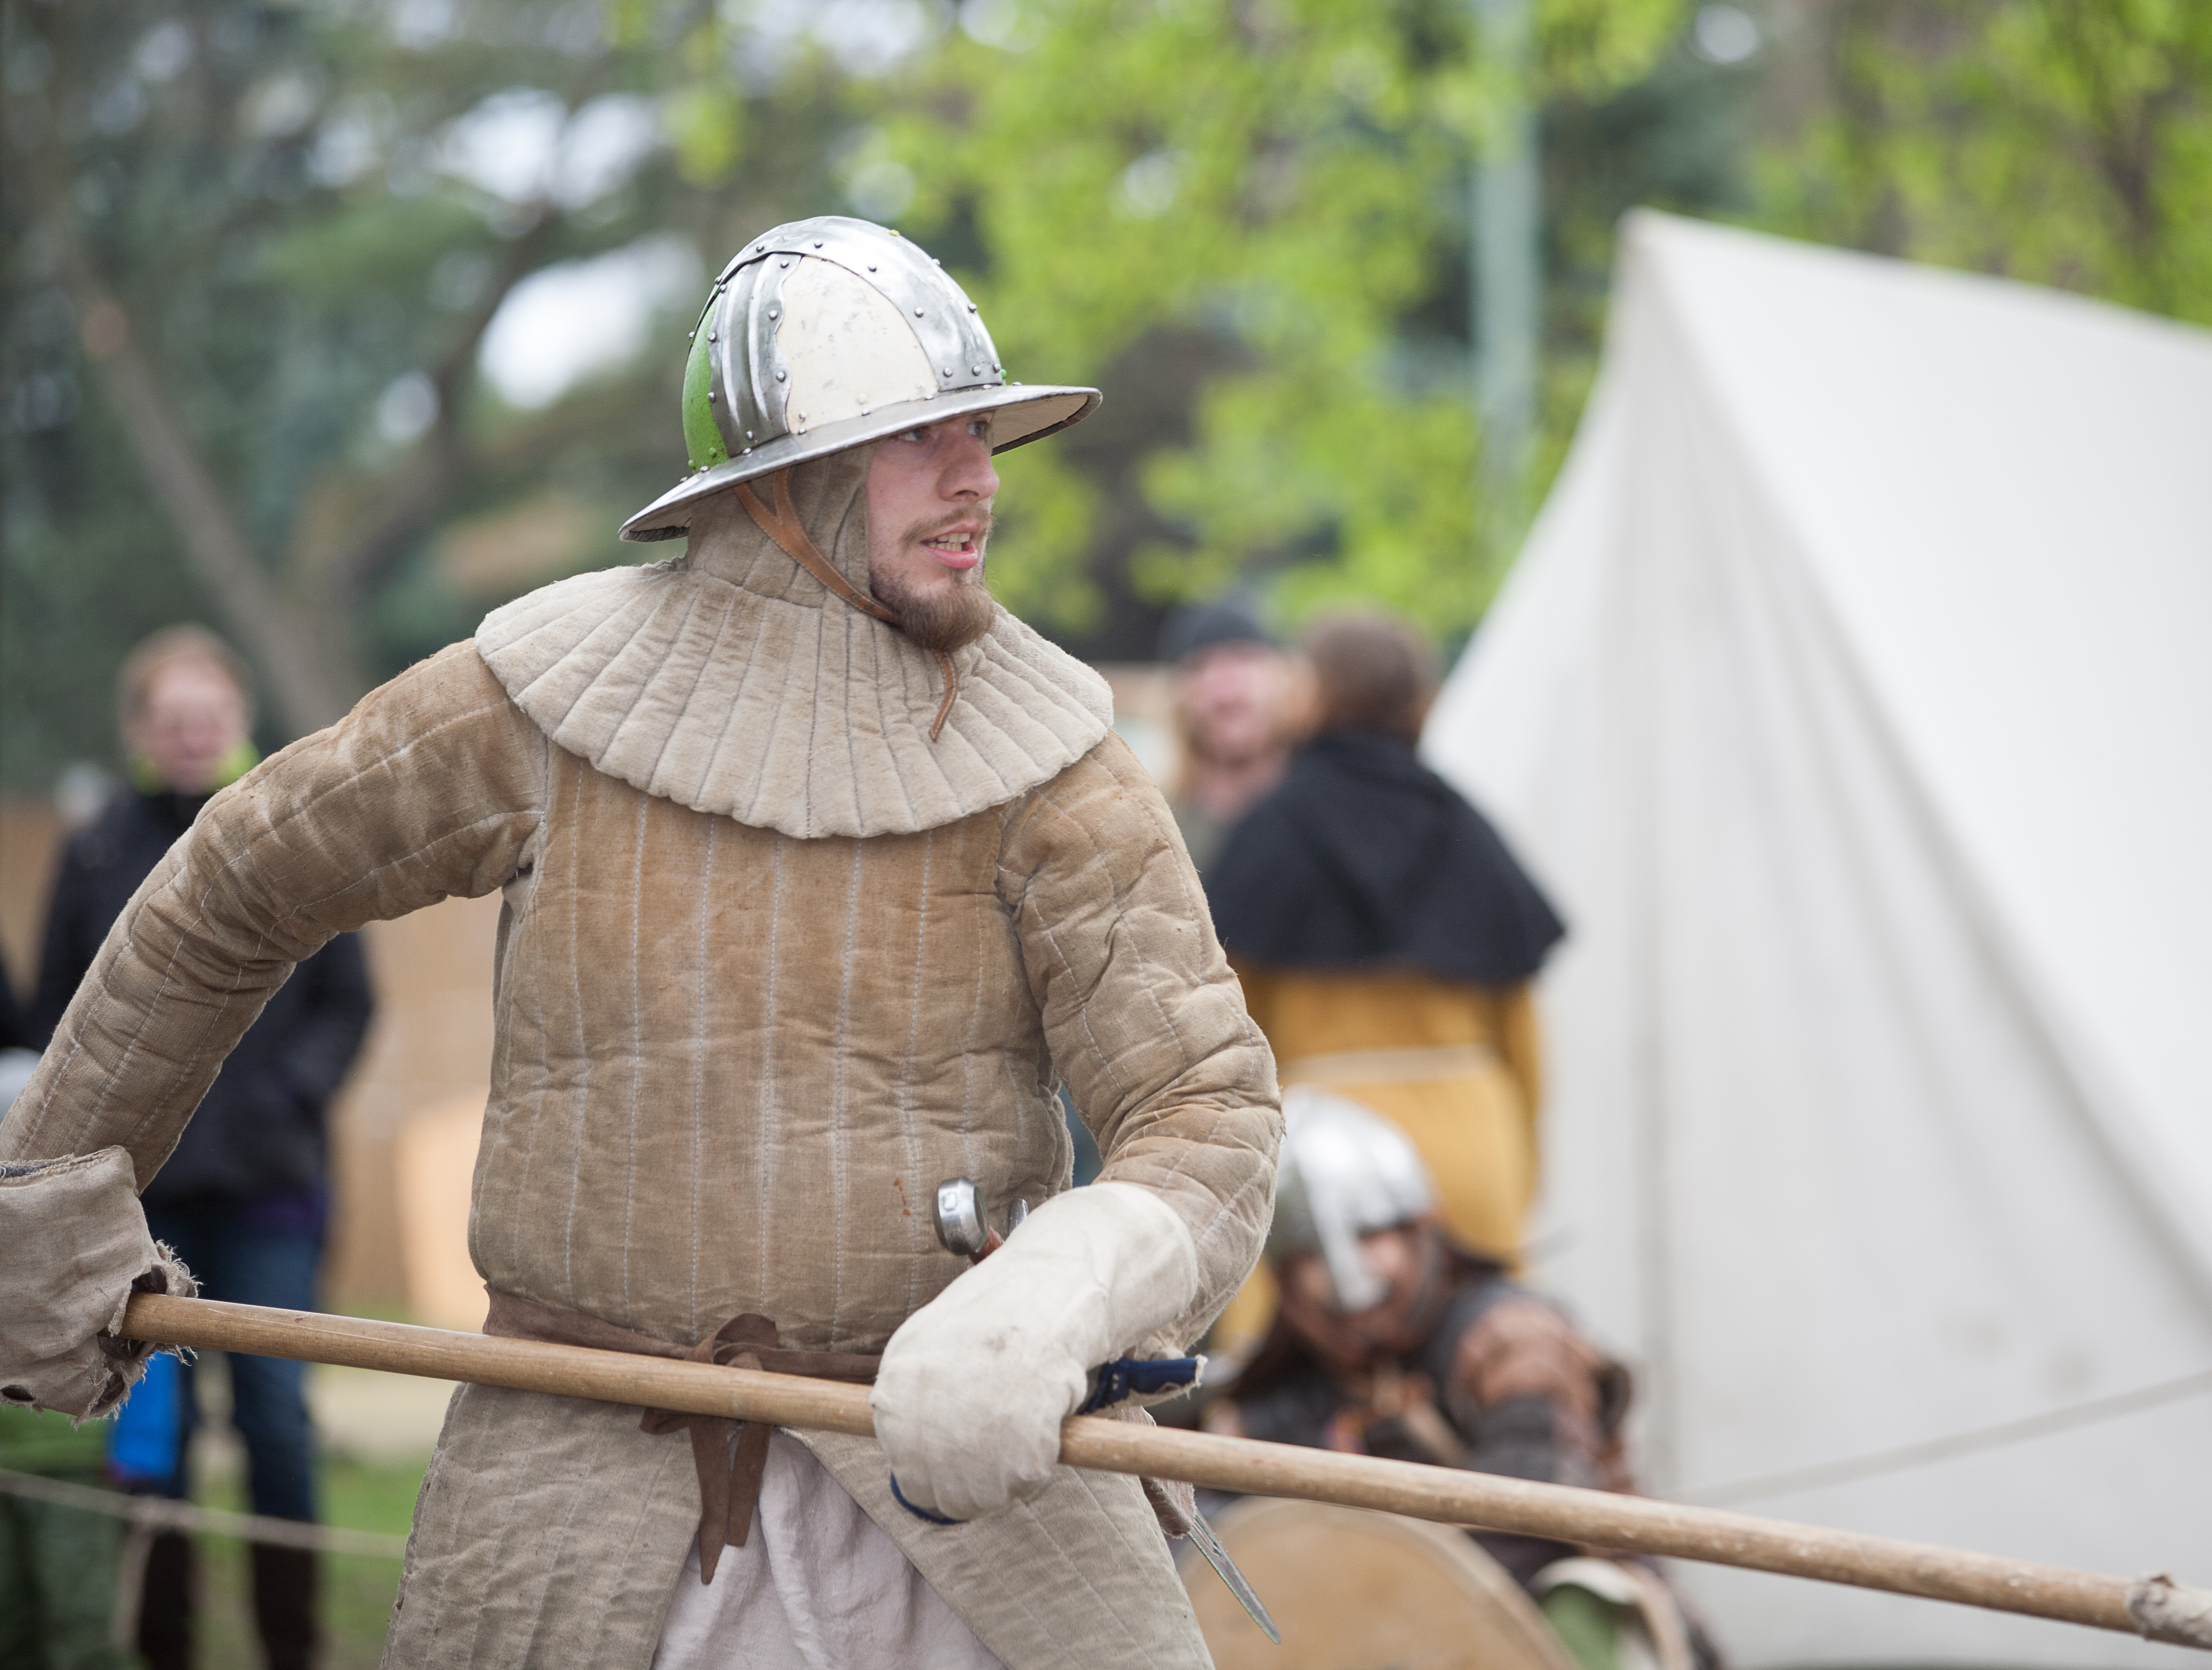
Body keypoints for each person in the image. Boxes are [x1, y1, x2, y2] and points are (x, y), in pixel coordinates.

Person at [0, 214, 1279, 1670]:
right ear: (787, 480)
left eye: (979, 430)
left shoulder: (1058, 760)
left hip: (967, 1513)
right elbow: (234, 881)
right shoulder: (539, 699)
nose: (979, 474)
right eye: (922, 436)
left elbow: (1207, 1107)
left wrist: (1057, 1297)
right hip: (581, 1501)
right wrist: (49, 1202)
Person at [30, 625, 373, 1670]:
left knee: (276, 1421)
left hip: (270, 1192)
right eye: (172, 720)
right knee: (154, 1437)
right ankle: (165, 1645)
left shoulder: (291, 830)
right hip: (139, 1204)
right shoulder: (95, 851)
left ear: (238, 721)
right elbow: (55, 1012)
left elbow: (349, 1004)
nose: (190, 736)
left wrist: (284, 1095)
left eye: (207, 718)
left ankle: (293, 1646)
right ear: (140, 729)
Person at [1204, 1090, 1711, 1670]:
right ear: (1284, 1277)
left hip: (1535, 1621)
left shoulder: (1513, 1340)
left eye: (1370, 1236)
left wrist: (1399, 1624)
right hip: (1365, 1642)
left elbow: (1526, 1527)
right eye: (1312, 1256)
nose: (1349, 1277)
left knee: (1580, 1597)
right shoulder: (1276, 1399)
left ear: (1420, 1228)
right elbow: (1218, 1552)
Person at [1204, 610, 1563, 1287]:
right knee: (1482, 1334)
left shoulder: (1271, 831)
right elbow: (1523, 1045)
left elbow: (1231, 1031)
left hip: (1317, 1156)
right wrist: (1519, 1167)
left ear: (1313, 694)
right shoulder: (1467, 829)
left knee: (1297, 1349)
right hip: (1470, 1141)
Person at [1158, 598, 1294, 873]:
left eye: (1243, 660)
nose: (1227, 688)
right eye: (1204, 667)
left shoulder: (1321, 808)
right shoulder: (1162, 827)